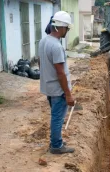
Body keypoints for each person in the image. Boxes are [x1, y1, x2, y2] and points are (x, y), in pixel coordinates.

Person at [39, 11, 75, 154]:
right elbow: (60, 73)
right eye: (67, 28)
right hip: (58, 89)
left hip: (49, 87)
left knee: (55, 116)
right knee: (57, 118)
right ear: (60, 27)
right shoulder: (57, 47)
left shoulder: (43, 41)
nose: (67, 31)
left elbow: (41, 64)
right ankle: (56, 145)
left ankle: (56, 140)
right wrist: (68, 94)